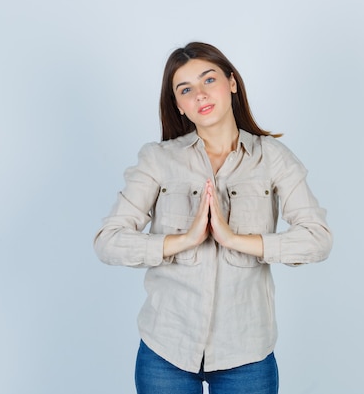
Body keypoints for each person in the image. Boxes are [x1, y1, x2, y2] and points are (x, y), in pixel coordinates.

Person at [93, 42, 333, 394]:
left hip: (247, 352)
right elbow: (108, 241)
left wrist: (236, 240)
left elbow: (318, 238)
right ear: (178, 104)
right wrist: (183, 240)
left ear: (232, 82)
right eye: (185, 89)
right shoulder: (158, 160)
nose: (200, 95)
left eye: (209, 80)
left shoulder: (274, 159)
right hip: (166, 349)